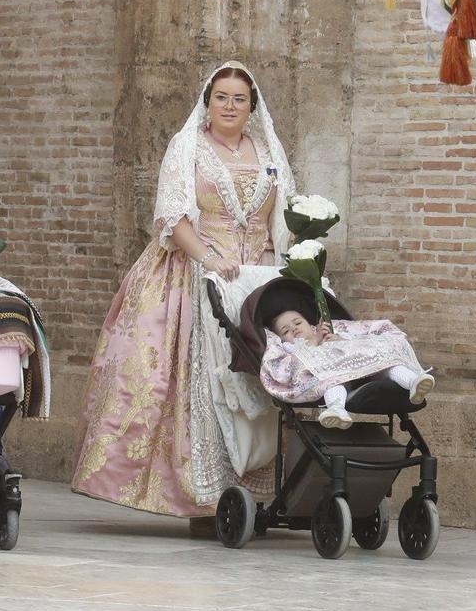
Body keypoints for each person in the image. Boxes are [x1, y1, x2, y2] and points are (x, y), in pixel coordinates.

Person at [71, 61, 297, 525]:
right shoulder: (188, 147)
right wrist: (208, 258)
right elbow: (173, 216)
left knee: (257, 373)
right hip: (195, 272)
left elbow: (284, 215)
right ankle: (202, 496)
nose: (229, 106)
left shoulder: (268, 148)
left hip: (255, 277)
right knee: (191, 379)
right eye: (221, 97)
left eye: (239, 98)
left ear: (252, 106)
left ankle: (254, 489)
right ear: (207, 102)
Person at [260, 304, 432, 428]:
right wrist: (314, 340)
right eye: (286, 331)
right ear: (282, 339)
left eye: (297, 323)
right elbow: (294, 366)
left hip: (364, 371)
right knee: (332, 383)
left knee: (386, 365)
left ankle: (414, 382)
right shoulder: (290, 348)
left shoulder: (328, 333)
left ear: (309, 324)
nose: (294, 329)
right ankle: (336, 409)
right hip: (332, 377)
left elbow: (358, 345)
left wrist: (341, 341)